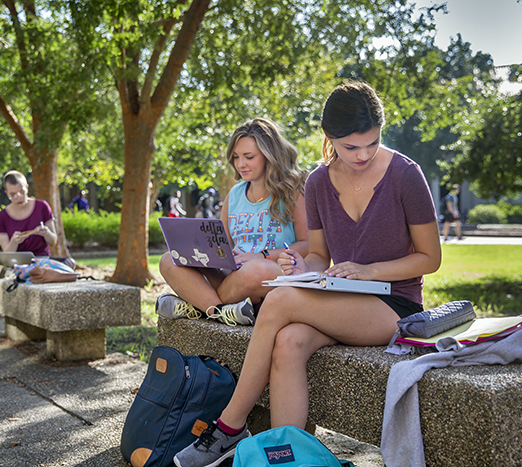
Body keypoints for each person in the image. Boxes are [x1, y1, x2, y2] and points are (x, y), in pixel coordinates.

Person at [172, 82, 442, 467]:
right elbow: (318, 255)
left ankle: (228, 428)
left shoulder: (405, 174)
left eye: (372, 142)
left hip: (393, 304)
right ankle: (287, 460)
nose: (363, 154)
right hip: (342, 299)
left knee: (280, 300)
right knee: (288, 341)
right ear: (329, 137)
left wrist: (369, 271)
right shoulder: (316, 183)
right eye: (350, 147)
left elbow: (430, 258)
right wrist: (301, 269)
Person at [157, 117, 309, 327]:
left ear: (269, 156)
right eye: (236, 157)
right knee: (169, 259)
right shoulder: (235, 194)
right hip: (233, 276)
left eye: (249, 156)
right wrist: (197, 250)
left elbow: (307, 245)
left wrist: (261, 255)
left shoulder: (294, 192)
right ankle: (221, 312)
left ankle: (199, 306)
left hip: (268, 274)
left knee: (255, 270)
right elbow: (223, 246)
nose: (240, 164)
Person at [0, 170, 59, 345]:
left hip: (39, 259)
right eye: (13, 194)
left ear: (27, 187)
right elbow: (7, 253)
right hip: (14, 260)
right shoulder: (2, 216)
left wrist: (46, 232)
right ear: (7, 194)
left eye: (22, 192)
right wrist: (15, 241)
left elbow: (54, 240)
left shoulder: (42, 206)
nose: (19, 197)